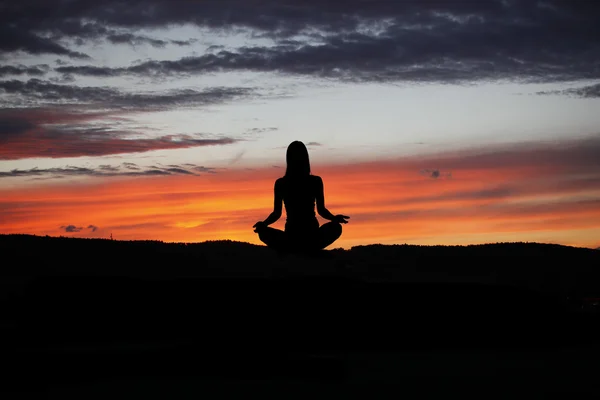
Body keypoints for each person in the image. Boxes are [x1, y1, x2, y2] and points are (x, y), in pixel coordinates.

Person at [253, 140, 349, 254]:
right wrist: (264, 224)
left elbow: (321, 210)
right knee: (263, 232)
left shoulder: (312, 181)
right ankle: (308, 249)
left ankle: (297, 249)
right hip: (294, 235)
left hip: (308, 234)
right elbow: (276, 213)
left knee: (336, 227)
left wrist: (334, 218)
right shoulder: (284, 183)